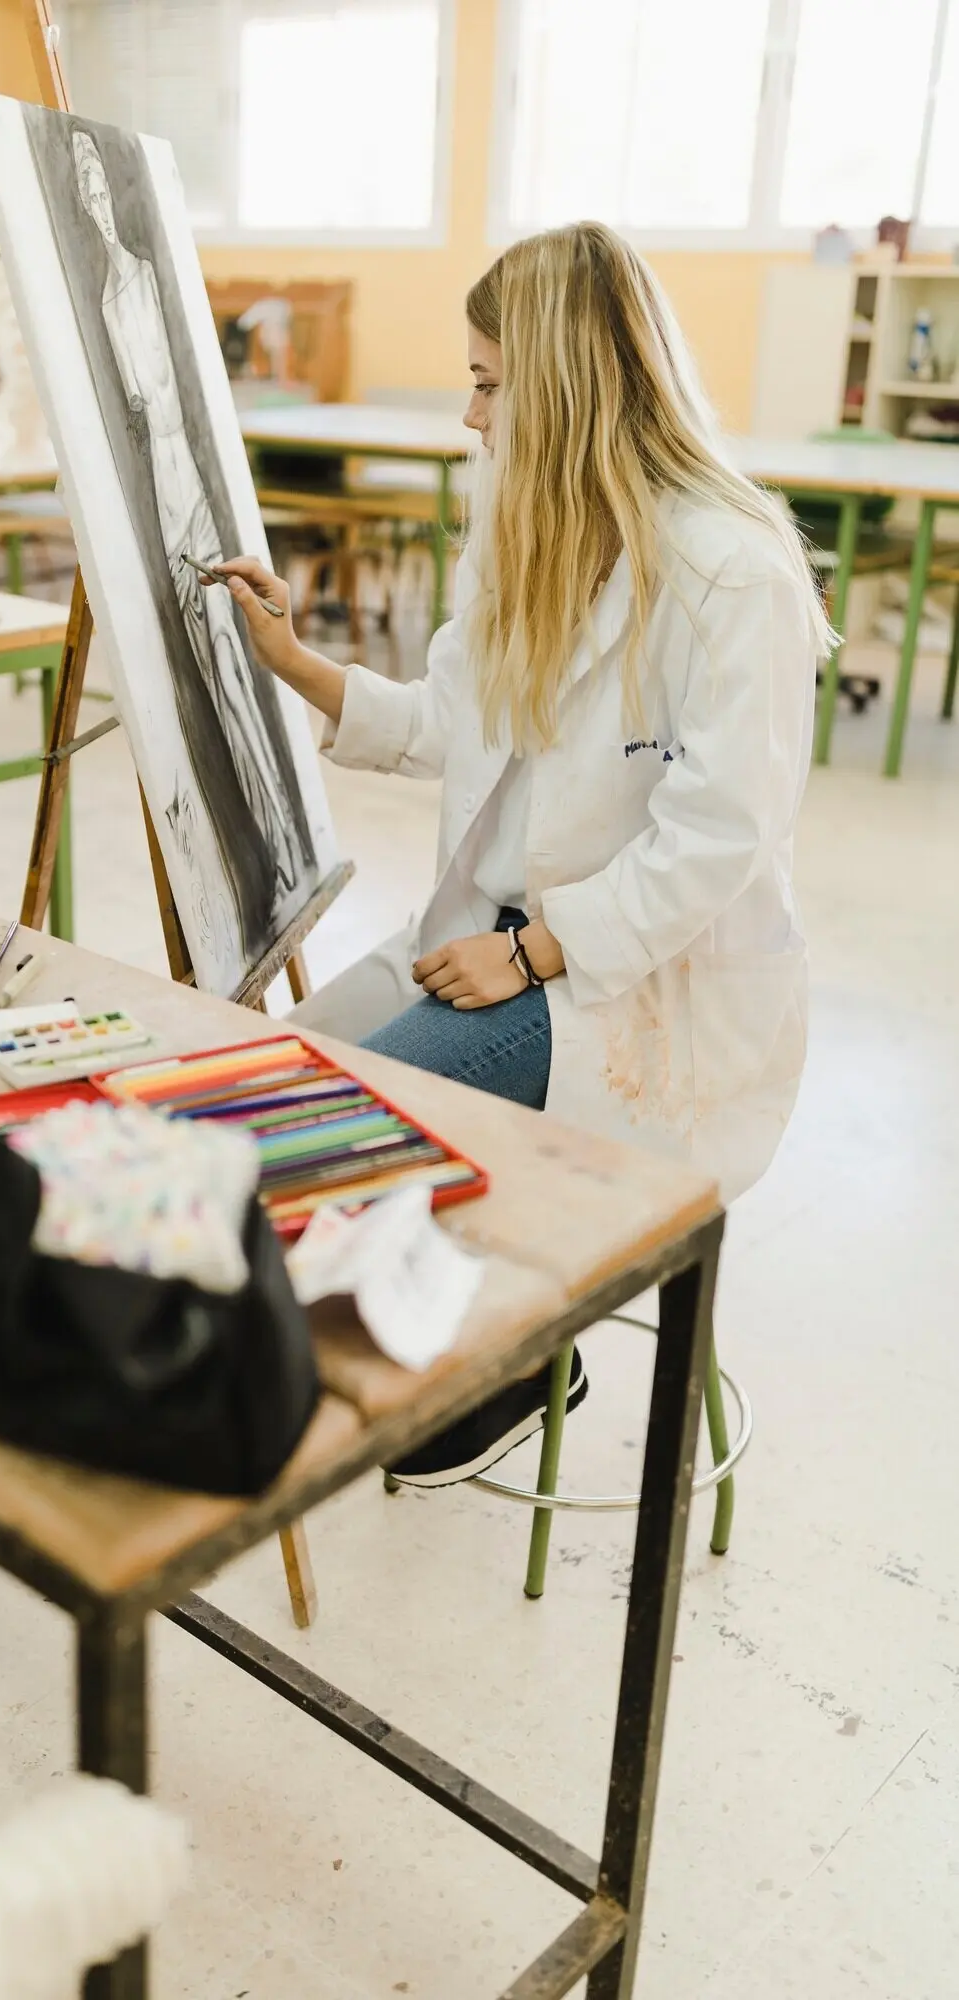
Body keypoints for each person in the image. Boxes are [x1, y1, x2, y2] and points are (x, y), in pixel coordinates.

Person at [209, 222, 829, 1488]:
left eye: (490, 382)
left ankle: (516, 1358)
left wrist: (535, 950)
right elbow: (455, 717)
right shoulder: (533, 524)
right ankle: (469, 1338)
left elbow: (719, 835)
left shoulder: (729, 572)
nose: (470, 416)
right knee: (259, 1101)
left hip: (632, 983)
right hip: (483, 938)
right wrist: (296, 662)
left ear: (563, 385)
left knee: (336, 1130)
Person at [71, 128, 302, 904]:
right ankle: (260, 856)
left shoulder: (143, 281)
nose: (96, 201)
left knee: (235, 672)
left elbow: (164, 411)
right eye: (83, 191)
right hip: (164, 500)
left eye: (101, 185)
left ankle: (278, 838)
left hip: (190, 490)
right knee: (205, 678)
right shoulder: (104, 295)